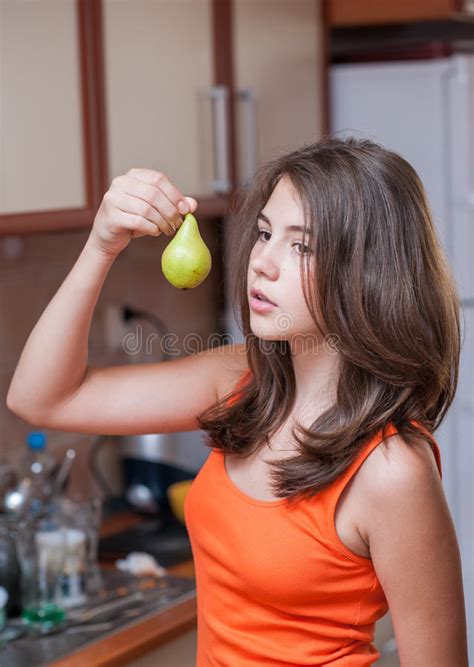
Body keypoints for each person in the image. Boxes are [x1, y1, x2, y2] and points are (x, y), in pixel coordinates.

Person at [6, 136, 468, 666]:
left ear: (369, 273)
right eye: (265, 233)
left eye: (302, 245)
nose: (261, 263)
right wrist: (102, 244)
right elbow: (41, 398)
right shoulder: (240, 380)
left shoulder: (391, 469)